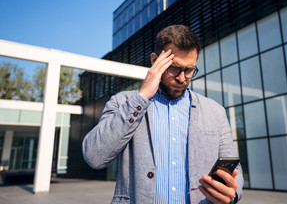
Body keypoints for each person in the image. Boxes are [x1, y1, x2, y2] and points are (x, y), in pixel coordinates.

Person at [82, 25, 244, 204]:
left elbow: (235, 172)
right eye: (174, 68)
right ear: (154, 61)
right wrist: (142, 97)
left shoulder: (215, 111)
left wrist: (232, 194)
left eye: (189, 70)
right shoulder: (123, 103)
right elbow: (94, 157)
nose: (182, 78)